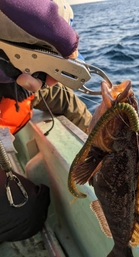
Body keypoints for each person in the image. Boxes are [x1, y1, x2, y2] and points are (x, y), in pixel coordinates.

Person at [0, 0, 92, 242]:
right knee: (24, 212)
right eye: (46, 71)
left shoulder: (30, 87)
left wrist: (93, 135)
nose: (51, 82)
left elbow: (63, 99)